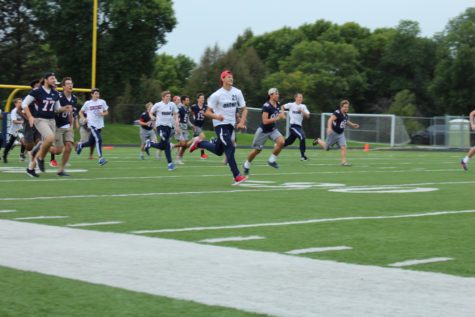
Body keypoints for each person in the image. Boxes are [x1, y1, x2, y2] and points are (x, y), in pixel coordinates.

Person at [188, 70, 248, 185]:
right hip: (220, 125)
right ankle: (237, 176)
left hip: (230, 126)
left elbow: (244, 108)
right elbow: (207, 112)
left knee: (219, 151)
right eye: (228, 77)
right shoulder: (216, 95)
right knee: (230, 147)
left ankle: (199, 143)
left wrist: (241, 122)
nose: (231, 79)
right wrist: (217, 116)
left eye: (232, 77)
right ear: (223, 79)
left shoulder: (238, 92)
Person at [22, 72, 70, 177]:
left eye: (55, 78)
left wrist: (64, 108)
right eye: (52, 78)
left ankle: (30, 168)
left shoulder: (55, 93)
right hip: (40, 119)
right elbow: (24, 104)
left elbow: (57, 109)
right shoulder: (37, 91)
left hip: (51, 120)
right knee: (50, 138)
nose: (54, 81)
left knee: (46, 145)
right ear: (45, 79)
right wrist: (30, 116)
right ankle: (40, 158)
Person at [242, 88, 286, 175]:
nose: (278, 95)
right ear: (271, 95)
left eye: (278, 94)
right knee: (257, 151)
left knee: (281, 142)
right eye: (276, 94)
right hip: (263, 131)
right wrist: (278, 117)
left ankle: (271, 160)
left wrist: (282, 113)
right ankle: (246, 164)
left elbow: (281, 108)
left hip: (272, 129)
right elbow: (265, 121)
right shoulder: (266, 106)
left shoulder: (278, 104)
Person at [313, 99, 360, 166]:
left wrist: (352, 125)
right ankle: (318, 140)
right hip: (333, 133)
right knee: (327, 148)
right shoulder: (337, 113)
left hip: (340, 134)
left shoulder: (346, 115)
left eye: (347, 107)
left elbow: (346, 121)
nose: (346, 108)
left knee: (343, 147)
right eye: (345, 107)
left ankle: (343, 162)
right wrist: (329, 128)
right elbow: (330, 119)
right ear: (341, 107)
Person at [144, 90, 180, 171]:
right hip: (160, 126)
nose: (169, 98)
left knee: (163, 146)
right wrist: (152, 116)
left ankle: (150, 144)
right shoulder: (158, 104)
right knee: (166, 143)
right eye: (167, 96)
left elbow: (176, 114)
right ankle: (170, 164)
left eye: (169, 96)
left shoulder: (172, 104)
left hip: (169, 127)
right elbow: (151, 112)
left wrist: (177, 125)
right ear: (163, 97)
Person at [76, 88, 109, 166]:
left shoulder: (102, 102)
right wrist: (84, 118)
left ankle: (81, 145)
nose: (97, 95)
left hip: (99, 125)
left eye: (98, 94)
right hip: (92, 124)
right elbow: (80, 112)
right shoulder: (88, 103)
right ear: (92, 94)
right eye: (95, 94)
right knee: (99, 139)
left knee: (91, 142)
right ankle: (101, 158)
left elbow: (106, 111)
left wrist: (103, 114)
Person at [51, 77, 77, 176]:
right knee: (58, 151)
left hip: (67, 125)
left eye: (71, 83)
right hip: (57, 125)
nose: (70, 85)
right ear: (63, 86)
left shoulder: (74, 98)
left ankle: (61, 169)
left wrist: (72, 124)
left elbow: (71, 113)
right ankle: (42, 147)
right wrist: (64, 108)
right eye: (68, 84)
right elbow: (54, 110)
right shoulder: (58, 96)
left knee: (69, 146)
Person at [283, 93, 310, 161]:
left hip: (299, 127)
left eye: (301, 97)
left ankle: (278, 145)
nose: (300, 98)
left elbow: (308, 116)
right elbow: (282, 106)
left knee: (289, 142)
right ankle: (303, 156)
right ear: (295, 98)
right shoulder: (291, 105)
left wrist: (302, 111)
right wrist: (282, 114)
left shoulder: (303, 106)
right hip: (293, 126)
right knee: (302, 137)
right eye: (299, 97)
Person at [2, 98, 26, 163]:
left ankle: (21, 155)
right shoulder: (14, 111)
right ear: (15, 104)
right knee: (9, 144)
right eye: (19, 102)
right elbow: (14, 121)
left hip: (20, 130)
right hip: (13, 130)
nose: (21, 104)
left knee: (25, 141)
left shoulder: (23, 110)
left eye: (21, 102)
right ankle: (4, 155)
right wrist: (23, 122)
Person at [174, 95, 193, 164]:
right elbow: (176, 117)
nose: (188, 101)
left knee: (186, 145)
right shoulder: (180, 108)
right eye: (187, 100)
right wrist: (177, 127)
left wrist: (192, 126)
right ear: (183, 101)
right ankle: (172, 146)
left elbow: (187, 119)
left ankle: (179, 158)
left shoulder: (186, 109)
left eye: (188, 100)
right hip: (180, 127)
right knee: (182, 143)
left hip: (185, 128)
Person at [190, 93, 208, 159]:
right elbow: (188, 112)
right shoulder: (194, 106)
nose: (203, 99)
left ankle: (178, 147)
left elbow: (208, 114)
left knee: (193, 141)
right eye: (201, 98)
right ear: (198, 99)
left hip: (201, 125)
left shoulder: (205, 106)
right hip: (196, 125)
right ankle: (201, 153)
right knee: (203, 137)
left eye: (203, 98)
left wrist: (204, 114)